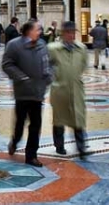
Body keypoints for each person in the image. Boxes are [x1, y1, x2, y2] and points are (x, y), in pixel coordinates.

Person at [1, 20, 52, 167]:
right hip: (22, 92)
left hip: (38, 92)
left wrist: (49, 76)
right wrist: (22, 78)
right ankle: (15, 141)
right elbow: (7, 65)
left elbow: (49, 63)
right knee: (20, 123)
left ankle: (31, 156)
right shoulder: (14, 45)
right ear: (29, 31)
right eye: (37, 29)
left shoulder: (42, 44)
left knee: (36, 124)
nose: (40, 32)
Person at [48, 21, 88, 159]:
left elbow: (83, 66)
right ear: (63, 33)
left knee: (79, 119)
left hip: (76, 89)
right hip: (60, 89)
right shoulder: (53, 48)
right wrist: (56, 78)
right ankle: (59, 146)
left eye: (73, 32)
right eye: (69, 32)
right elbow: (47, 66)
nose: (72, 35)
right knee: (59, 119)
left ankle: (81, 148)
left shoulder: (81, 48)